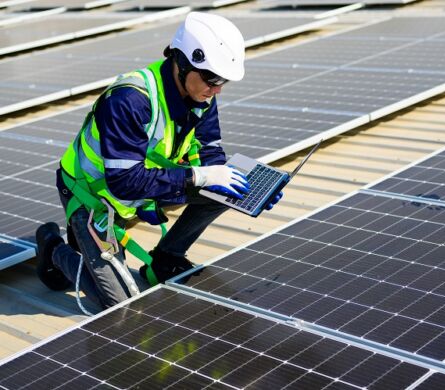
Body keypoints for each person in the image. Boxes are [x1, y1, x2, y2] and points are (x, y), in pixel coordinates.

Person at [34, 12, 282, 311]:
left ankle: (165, 259)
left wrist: (249, 191)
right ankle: (53, 247)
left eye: (224, 81)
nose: (217, 89)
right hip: (94, 197)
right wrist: (200, 177)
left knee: (225, 188)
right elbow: (125, 184)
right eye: (212, 79)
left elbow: (210, 155)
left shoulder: (202, 95)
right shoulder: (130, 99)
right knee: (119, 305)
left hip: (143, 186)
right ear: (183, 63)